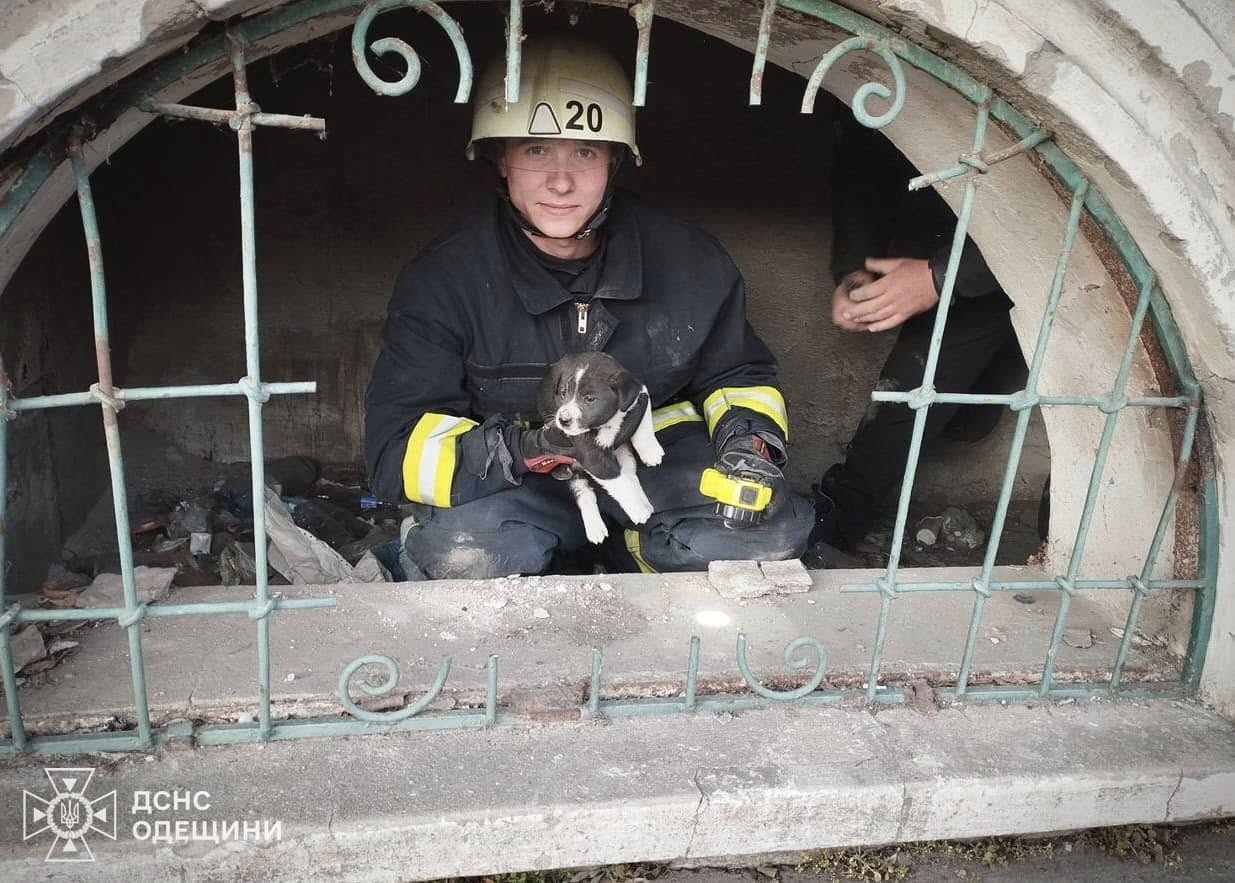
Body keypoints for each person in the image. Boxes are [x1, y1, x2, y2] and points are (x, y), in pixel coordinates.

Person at [365, 35, 814, 580]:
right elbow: (394, 449)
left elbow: (740, 375)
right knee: (469, 560)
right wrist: (525, 448)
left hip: (654, 465)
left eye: (585, 151)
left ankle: (634, 554)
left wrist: (750, 439)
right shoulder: (445, 279)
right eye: (535, 150)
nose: (560, 181)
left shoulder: (690, 261)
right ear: (499, 158)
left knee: (764, 534)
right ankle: (534, 555)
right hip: (517, 481)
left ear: (615, 161)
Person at [804, 111, 1027, 567]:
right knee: (909, 395)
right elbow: (865, 169)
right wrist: (851, 266)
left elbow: (1040, 200)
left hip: (1042, 260)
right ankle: (839, 521)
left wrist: (940, 277)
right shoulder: (880, 100)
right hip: (964, 247)